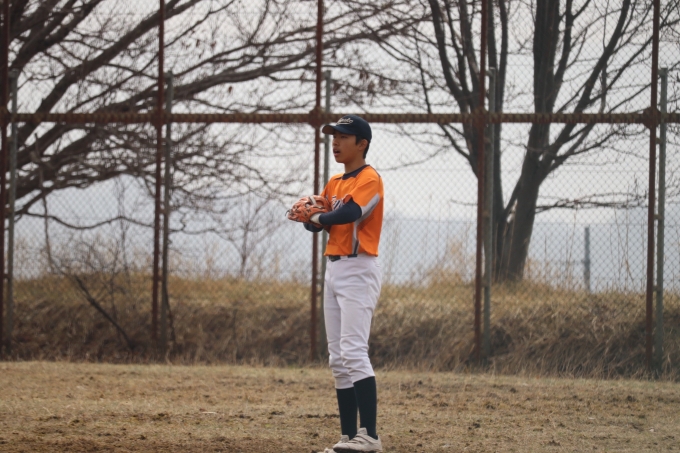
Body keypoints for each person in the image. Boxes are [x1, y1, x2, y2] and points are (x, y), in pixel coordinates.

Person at [306, 115, 384, 453]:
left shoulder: (370, 178)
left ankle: (371, 436)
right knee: (337, 358)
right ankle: (349, 438)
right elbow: (317, 223)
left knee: (353, 351)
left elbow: (349, 213)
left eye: (343, 136)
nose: (335, 142)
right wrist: (310, 217)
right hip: (335, 269)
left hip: (359, 269)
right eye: (334, 136)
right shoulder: (334, 181)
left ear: (362, 144)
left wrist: (318, 216)